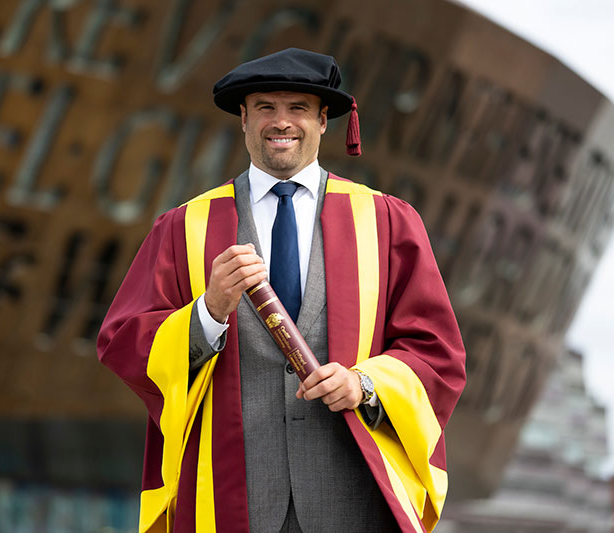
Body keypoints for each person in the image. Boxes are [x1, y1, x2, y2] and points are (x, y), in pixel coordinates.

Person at [97, 48, 466, 533]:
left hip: (351, 492)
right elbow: (123, 341)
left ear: (324, 120)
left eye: (298, 108)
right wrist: (208, 312)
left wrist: (365, 385)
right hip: (227, 492)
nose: (281, 122)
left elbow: (437, 352)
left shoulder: (386, 222)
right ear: (244, 119)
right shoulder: (185, 227)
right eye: (266, 107)